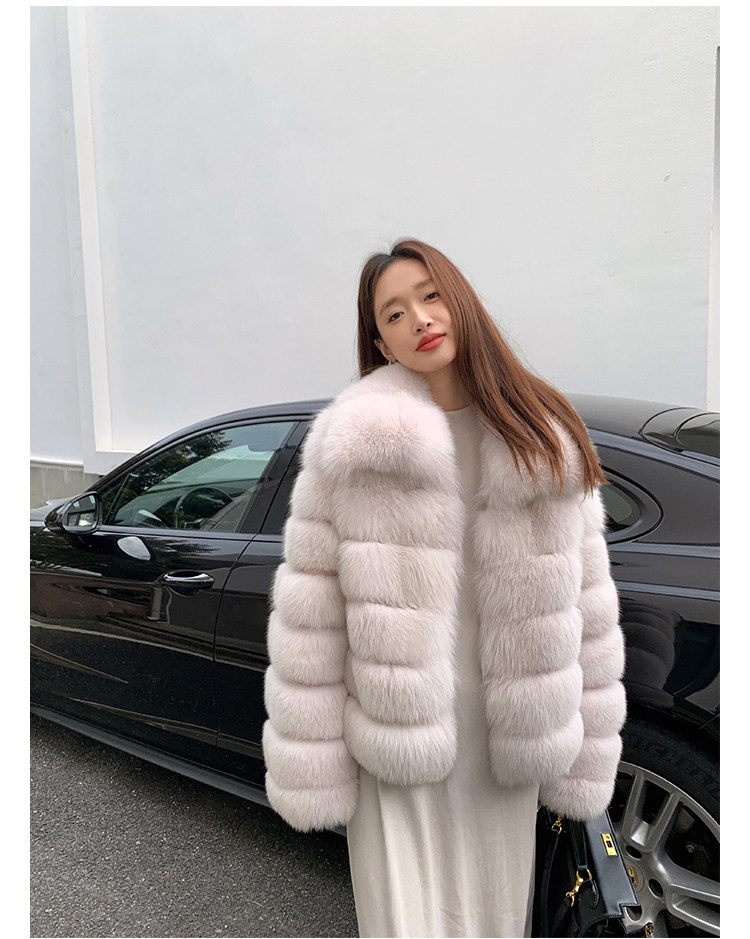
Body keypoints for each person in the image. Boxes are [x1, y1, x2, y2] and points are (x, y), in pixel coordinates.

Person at [262, 238, 626, 938]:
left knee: (491, 922)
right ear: (381, 343)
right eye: (394, 313)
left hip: (504, 744)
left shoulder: (540, 436)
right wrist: (312, 763)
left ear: (460, 299)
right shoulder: (353, 442)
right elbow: (312, 616)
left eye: (430, 296)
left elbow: (589, 606)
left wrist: (584, 755)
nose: (420, 319)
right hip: (397, 740)